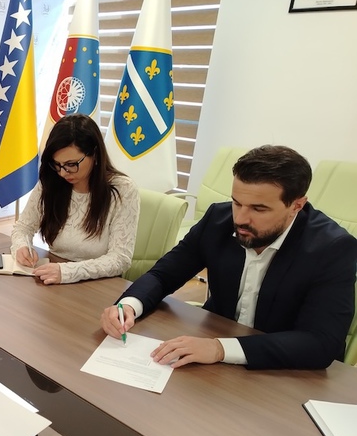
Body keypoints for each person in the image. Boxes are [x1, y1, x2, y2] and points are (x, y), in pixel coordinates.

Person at [101, 145, 357, 370]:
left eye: (258, 209)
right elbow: (164, 274)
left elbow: (320, 342)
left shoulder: (332, 248)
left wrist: (220, 349)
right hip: (213, 351)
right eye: (237, 202)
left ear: (296, 206)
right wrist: (129, 306)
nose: (241, 219)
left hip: (283, 371)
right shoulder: (218, 220)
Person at [11, 114, 139, 285]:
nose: (63, 173)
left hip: (99, 286)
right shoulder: (52, 181)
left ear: (95, 154)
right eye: (57, 164)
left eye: (71, 164)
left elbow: (120, 259)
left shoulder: (123, 190)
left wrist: (67, 272)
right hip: (54, 280)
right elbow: (23, 228)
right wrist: (21, 246)